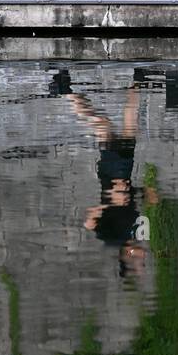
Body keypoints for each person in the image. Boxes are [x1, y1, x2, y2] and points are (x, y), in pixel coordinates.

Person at [53, 68, 157, 278]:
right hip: (125, 173)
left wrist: (109, 202)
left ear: (128, 256)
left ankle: (65, 92)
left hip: (111, 174)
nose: (144, 258)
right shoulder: (136, 233)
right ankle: (138, 79)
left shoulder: (112, 238)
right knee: (129, 124)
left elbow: (88, 222)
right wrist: (144, 194)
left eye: (139, 262)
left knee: (103, 125)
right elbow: (135, 201)